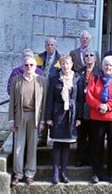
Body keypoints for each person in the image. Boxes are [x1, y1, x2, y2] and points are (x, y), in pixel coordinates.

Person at [86, 56, 112, 184]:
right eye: (106, 65)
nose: (108, 67)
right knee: (96, 146)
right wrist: (99, 105)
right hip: (97, 117)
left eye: (110, 65)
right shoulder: (95, 78)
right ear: (102, 66)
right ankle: (96, 173)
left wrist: (108, 106)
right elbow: (89, 95)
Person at [8, 56, 48, 186]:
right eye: (26, 65)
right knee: (18, 147)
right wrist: (11, 120)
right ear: (22, 66)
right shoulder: (16, 80)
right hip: (20, 115)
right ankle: (17, 174)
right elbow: (12, 101)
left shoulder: (42, 81)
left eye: (31, 65)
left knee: (32, 146)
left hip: (35, 116)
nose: (29, 67)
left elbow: (44, 103)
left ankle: (30, 173)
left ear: (36, 67)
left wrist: (43, 121)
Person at [45, 55, 80, 184]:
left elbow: (80, 99)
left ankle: (64, 173)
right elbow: (49, 99)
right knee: (57, 145)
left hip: (71, 115)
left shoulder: (77, 79)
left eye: (67, 63)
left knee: (66, 146)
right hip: (57, 114)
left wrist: (79, 117)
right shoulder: (54, 79)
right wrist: (48, 117)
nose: (65, 66)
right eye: (63, 64)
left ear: (71, 64)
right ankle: (55, 174)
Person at [75, 48, 101, 167]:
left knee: (94, 136)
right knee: (81, 136)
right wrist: (78, 115)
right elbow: (77, 95)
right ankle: (80, 159)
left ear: (95, 58)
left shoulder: (100, 73)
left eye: (91, 55)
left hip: (95, 109)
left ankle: (92, 159)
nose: (89, 57)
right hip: (82, 108)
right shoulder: (79, 72)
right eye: (86, 56)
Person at [36, 37, 61, 147]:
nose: (50, 47)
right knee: (42, 111)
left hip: (54, 87)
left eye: (52, 45)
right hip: (41, 87)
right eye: (48, 45)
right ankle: (42, 137)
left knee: (52, 111)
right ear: (45, 46)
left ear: (55, 46)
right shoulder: (39, 57)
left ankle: (55, 137)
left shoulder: (60, 58)